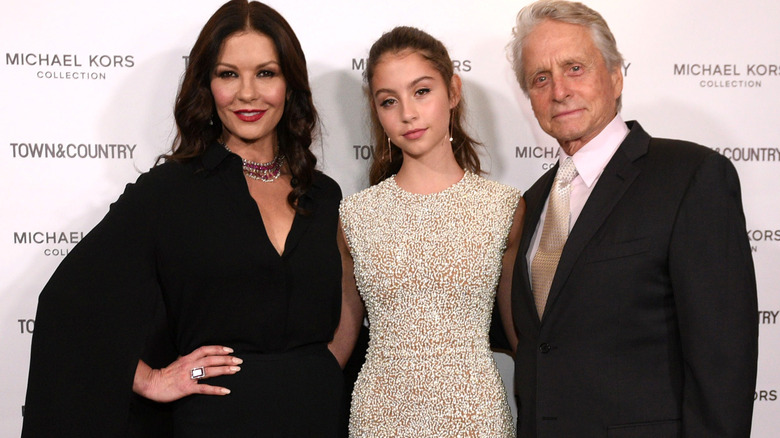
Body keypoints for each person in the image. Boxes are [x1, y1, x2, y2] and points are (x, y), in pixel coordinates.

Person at [22, 1, 361, 437]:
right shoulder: (171, 191)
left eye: (266, 73)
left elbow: (346, 294)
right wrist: (152, 378)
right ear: (207, 84)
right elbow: (69, 305)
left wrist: (321, 368)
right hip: (216, 422)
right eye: (228, 74)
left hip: (318, 416)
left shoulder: (323, 192)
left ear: (290, 84)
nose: (247, 93)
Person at [506, 1, 759, 436]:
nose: (559, 91)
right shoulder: (530, 204)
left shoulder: (689, 177)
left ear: (616, 76)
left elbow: (723, 360)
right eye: (540, 78)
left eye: (575, 69)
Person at [339, 26, 524, 437]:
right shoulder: (356, 215)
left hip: (475, 419)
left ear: (453, 92)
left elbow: (520, 340)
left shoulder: (503, 208)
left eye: (422, 91)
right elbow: (340, 342)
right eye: (390, 101)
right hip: (381, 417)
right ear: (377, 111)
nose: (407, 113)